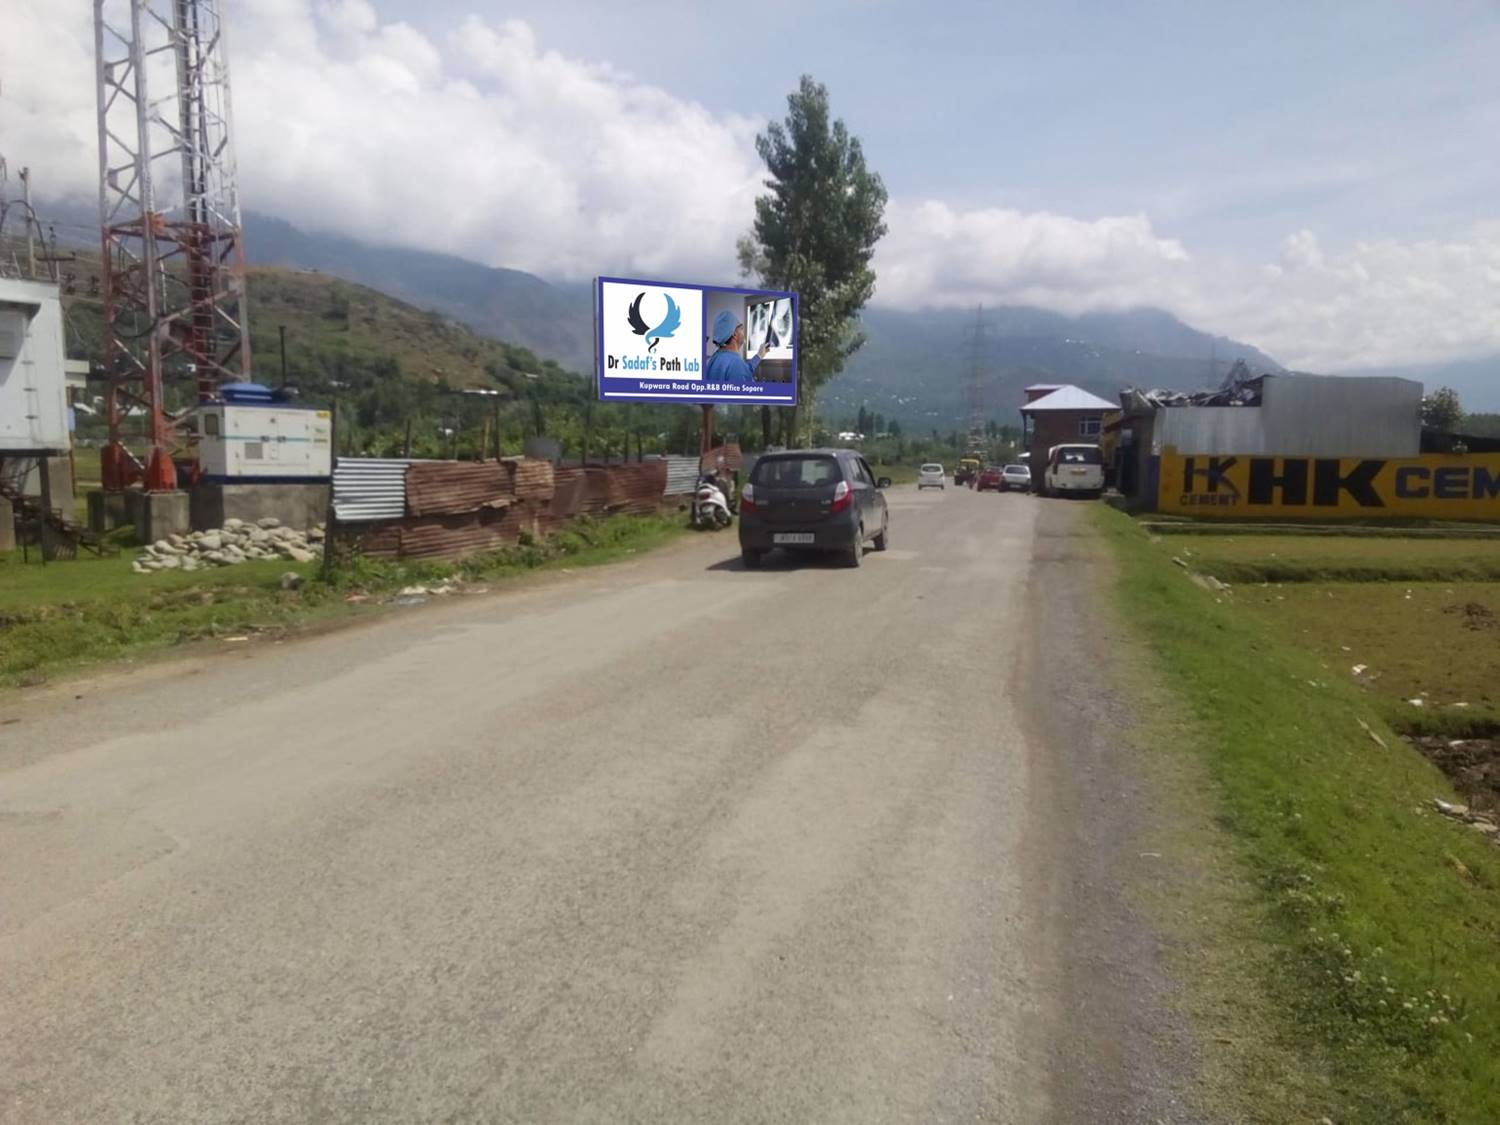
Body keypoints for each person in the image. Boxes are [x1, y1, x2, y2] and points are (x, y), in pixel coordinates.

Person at [705, 309, 768, 388]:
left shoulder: (714, 358)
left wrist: (759, 355)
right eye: (741, 328)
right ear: (734, 334)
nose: (743, 332)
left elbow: (744, 370)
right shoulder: (736, 363)